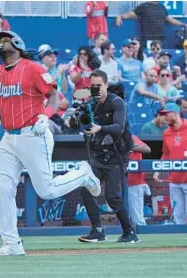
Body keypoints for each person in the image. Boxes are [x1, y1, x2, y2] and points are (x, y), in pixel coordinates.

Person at [0, 31, 100, 256]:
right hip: (8, 137)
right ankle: (12, 244)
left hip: (33, 132)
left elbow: (55, 96)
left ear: (17, 43)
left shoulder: (33, 67)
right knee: (3, 187)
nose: (1, 42)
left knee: (46, 190)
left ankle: (82, 174)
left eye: (5, 39)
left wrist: (45, 115)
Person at [74, 70, 140, 244]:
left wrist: (99, 128)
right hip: (98, 154)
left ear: (106, 85)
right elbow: (80, 120)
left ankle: (129, 232)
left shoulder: (117, 102)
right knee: (86, 189)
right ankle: (97, 230)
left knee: (112, 197)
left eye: (98, 86)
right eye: (92, 86)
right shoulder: (91, 104)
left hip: (117, 156)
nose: (95, 89)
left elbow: (118, 127)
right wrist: (75, 121)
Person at [153, 103, 187, 224]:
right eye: (163, 114)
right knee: (178, 216)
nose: (164, 117)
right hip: (174, 180)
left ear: (175, 113)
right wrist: (158, 170)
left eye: (166, 114)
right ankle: (180, 242)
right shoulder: (167, 133)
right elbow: (165, 154)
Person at [116, 1, 187, 48]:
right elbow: (130, 14)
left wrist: (183, 24)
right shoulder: (143, 6)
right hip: (147, 39)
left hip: (161, 40)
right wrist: (120, 17)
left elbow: (170, 19)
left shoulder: (162, 7)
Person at [127, 135, 151, 226]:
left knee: (137, 219)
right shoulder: (110, 139)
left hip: (135, 183)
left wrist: (130, 146)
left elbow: (147, 149)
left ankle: (142, 236)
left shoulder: (131, 137)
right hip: (119, 183)